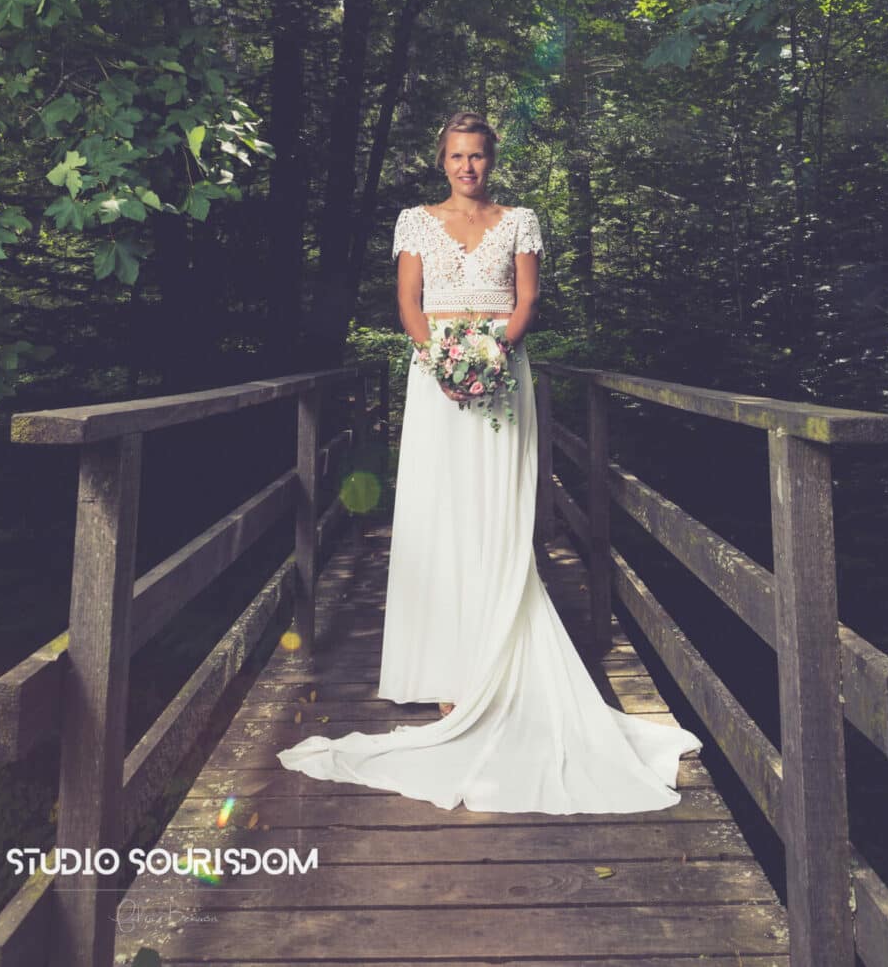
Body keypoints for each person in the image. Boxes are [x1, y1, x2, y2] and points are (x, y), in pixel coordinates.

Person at [277, 111, 703, 813]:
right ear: (441, 160)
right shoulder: (415, 223)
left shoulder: (519, 222)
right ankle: (450, 672)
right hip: (434, 379)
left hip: (503, 374)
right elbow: (409, 305)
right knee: (441, 514)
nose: (467, 167)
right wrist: (443, 363)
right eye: (456, 156)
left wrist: (489, 357)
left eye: (477, 156)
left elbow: (527, 300)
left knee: (494, 514)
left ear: (490, 161)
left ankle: (499, 664)